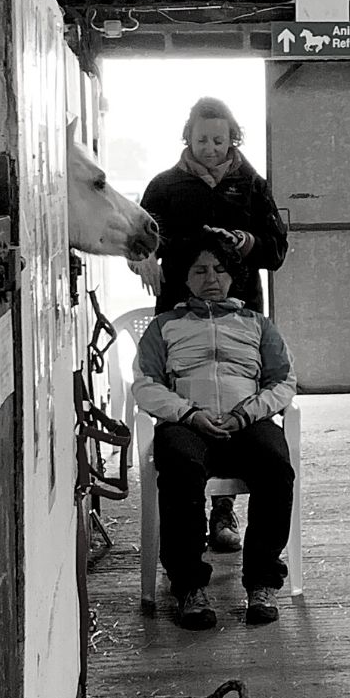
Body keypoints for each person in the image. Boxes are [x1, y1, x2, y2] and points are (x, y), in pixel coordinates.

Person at [129, 96, 289, 552]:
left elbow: (276, 250)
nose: (211, 148)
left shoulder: (252, 186)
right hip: (180, 309)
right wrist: (143, 260)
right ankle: (190, 525)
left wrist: (250, 242)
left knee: (238, 393)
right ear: (188, 137)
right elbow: (137, 240)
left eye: (219, 140)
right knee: (187, 399)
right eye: (202, 140)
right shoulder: (163, 186)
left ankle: (223, 513)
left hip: (239, 310)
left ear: (232, 137)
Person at [131, 232, 296, 628]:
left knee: (276, 465)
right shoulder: (164, 326)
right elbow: (145, 384)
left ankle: (262, 582)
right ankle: (189, 587)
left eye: (220, 270)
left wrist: (246, 414)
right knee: (180, 468)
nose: (211, 278)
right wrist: (188, 414)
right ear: (184, 278)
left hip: (247, 422)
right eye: (200, 270)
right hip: (188, 424)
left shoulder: (257, 324)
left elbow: (283, 381)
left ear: (233, 276)